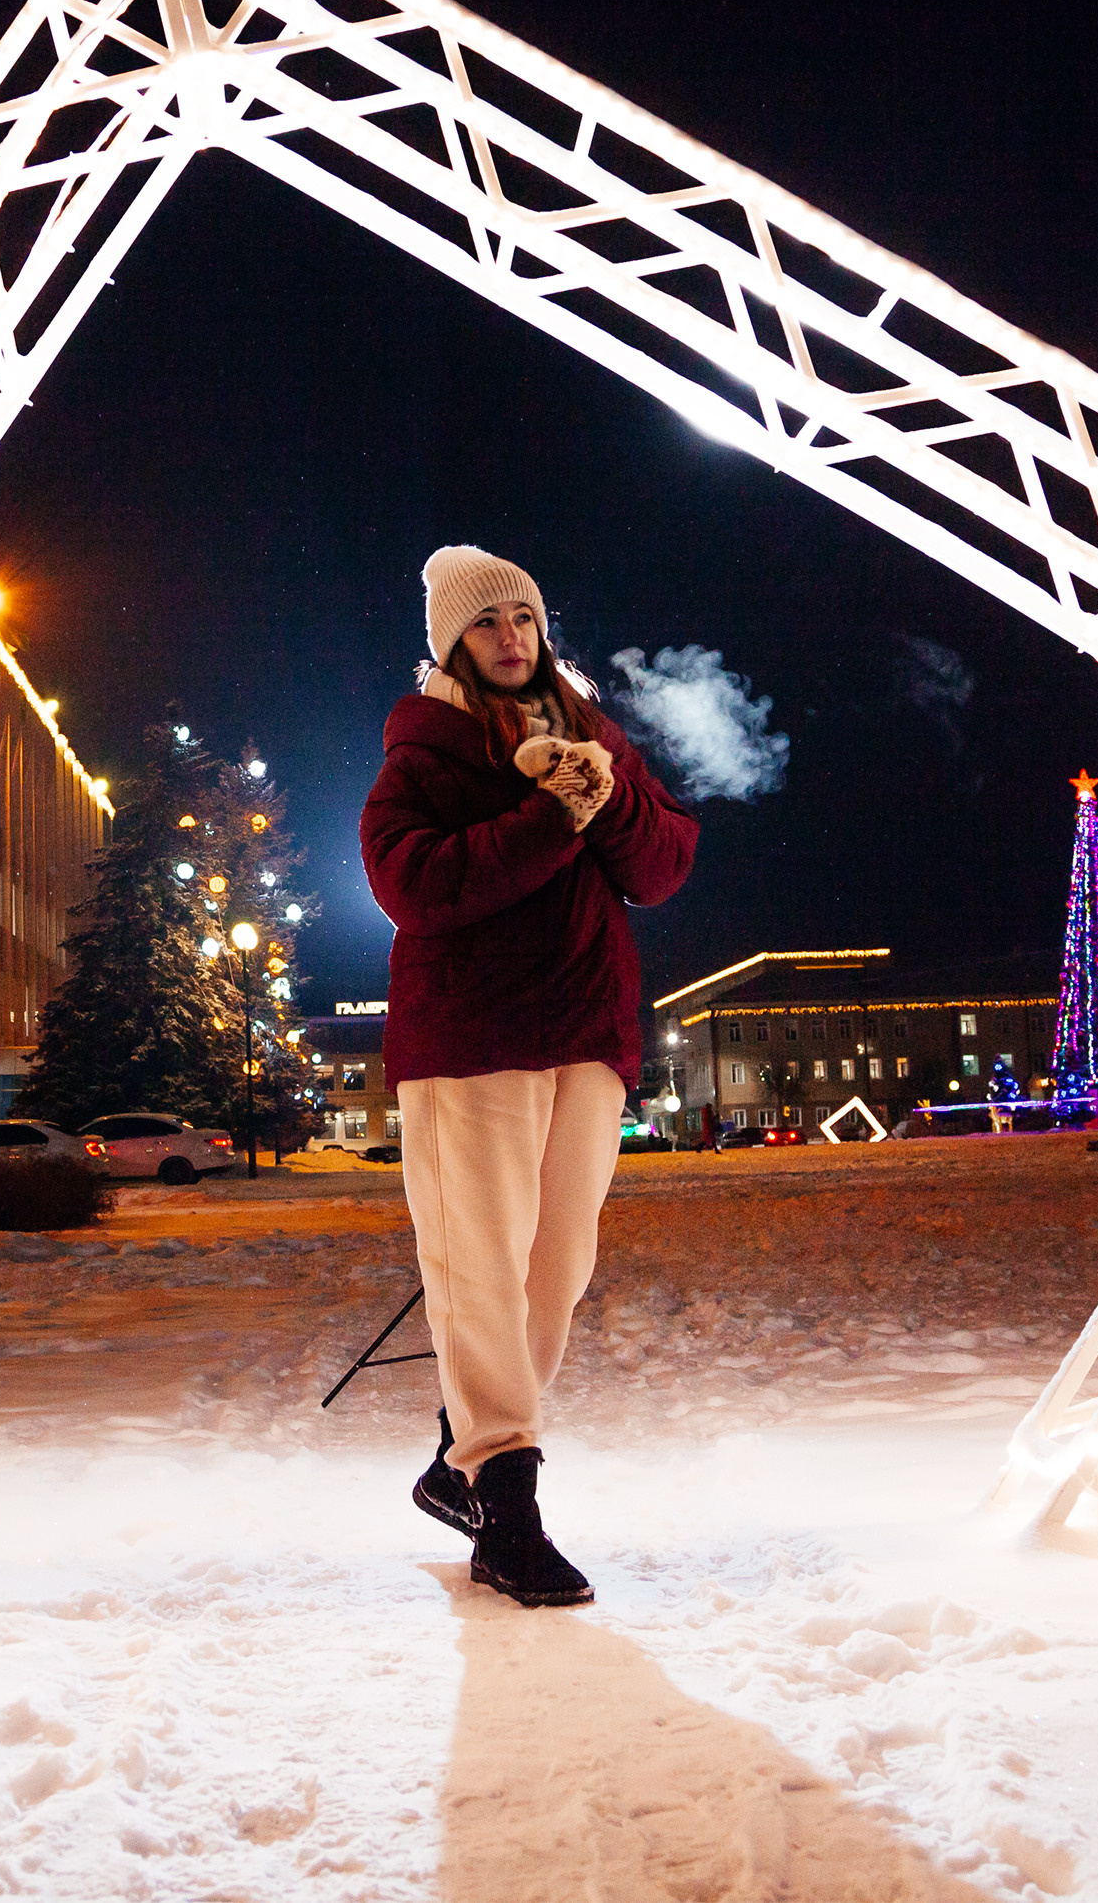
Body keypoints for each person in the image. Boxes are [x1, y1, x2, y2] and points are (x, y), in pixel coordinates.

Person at [361, 546, 698, 1608]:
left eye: (523, 615)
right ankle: (508, 1513)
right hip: (470, 1038)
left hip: (586, 1032)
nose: (510, 635)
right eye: (486, 622)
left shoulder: (595, 735)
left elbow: (659, 866)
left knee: (553, 1273)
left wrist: (604, 800)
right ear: (452, 643)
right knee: (478, 1268)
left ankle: (459, 1463)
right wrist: (549, 815)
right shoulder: (423, 749)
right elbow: (413, 884)